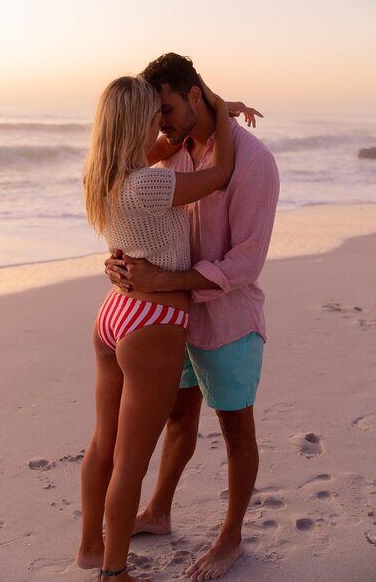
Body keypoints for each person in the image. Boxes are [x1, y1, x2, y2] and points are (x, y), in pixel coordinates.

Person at [105, 53, 280, 581]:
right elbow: (139, 213)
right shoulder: (173, 153)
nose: (160, 122)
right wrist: (120, 261)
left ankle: (230, 537)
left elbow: (246, 264)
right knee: (178, 417)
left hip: (227, 318)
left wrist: (161, 282)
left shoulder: (253, 162)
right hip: (172, 319)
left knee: (235, 429)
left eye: (166, 108)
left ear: (195, 95)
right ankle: (159, 510)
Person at [77, 73, 238, 581]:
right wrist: (221, 113)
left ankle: (90, 548)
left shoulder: (103, 176)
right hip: (153, 320)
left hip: (114, 314)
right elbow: (220, 174)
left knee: (104, 442)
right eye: (154, 117)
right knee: (130, 459)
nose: (161, 126)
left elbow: (162, 147)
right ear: (134, 125)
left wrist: (182, 127)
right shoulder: (148, 183)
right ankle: (114, 572)